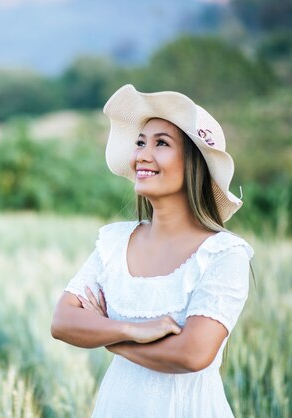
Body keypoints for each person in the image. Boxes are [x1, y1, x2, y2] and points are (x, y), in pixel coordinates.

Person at [51, 84, 254, 417]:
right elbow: (62, 321)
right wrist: (135, 329)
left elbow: (193, 354)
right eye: (140, 142)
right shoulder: (114, 242)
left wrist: (106, 334)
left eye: (161, 143)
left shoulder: (224, 254)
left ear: (194, 162)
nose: (142, 155)